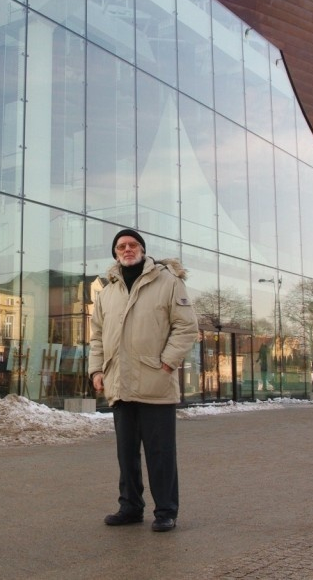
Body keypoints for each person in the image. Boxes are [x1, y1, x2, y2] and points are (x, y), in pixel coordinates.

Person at [90, 228, 198, 533]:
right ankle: (130, 507)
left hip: (155, 381)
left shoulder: (167, 282)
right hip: (119, 383)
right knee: (126, 453)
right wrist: (97, 370)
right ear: (115, 253)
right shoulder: (107, 292)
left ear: (143, 250)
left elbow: (186, 327)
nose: (127, 249)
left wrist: (167, 362)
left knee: (160, 452)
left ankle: (166, 510)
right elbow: (96, 337)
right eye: (121, 246)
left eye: (133, 244)